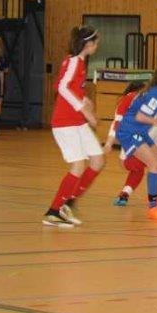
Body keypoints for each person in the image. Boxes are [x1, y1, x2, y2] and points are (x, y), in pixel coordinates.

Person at [43, 26, 103, 228]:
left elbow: (64, 85)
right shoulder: (74, 61)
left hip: (77, 121)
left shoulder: (77, 61)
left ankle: (67, 204)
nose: (97, 46)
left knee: (97, 160)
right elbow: (62, 87)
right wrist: (84, 109)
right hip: (65, 122)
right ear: (88, 44)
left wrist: (84, 99)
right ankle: (53, 212)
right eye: (96, 42)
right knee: (78, 165)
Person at [116, 62, 157, 221]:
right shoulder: (156, 94)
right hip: (130, 132)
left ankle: (155, 197)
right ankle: (153, 207)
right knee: (154, 164)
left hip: (139, 131)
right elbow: (139, 117)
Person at [104, 81, 157, 206]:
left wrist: (109, 143)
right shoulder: (134, 99)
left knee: (142, 168)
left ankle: (126, 195)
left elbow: (117, 122)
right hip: (134, 147)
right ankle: (153, 200)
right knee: (150, 165)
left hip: (135, 149)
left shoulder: (148, 99)